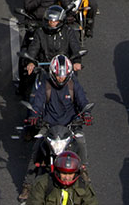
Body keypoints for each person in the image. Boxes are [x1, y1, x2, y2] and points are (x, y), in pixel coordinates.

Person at [22, 56, 93, 201]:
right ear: (53, 74)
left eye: (63, 76)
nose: (61, 79)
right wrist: (34, 116)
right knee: (36, 148)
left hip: (70, 125)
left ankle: (84, 170)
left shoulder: (74, 85)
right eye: (58, 76)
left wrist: (86, 114)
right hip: (49, 126)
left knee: (80, 142)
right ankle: (27, 185)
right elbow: (37, 102)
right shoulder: (45, 85)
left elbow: (82, 100)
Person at [25, 151, 98, 205]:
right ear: (57, 171)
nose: (67, 177)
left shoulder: (83, 185)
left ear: (76, 173)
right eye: (64, 173)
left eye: (70, 174)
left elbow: (91, 202)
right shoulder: (43, 183)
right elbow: (34, 202)